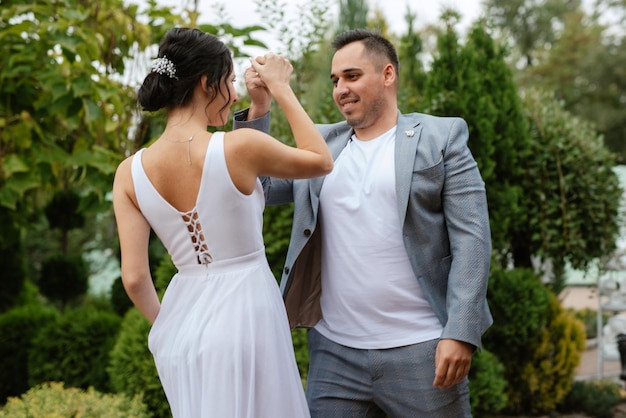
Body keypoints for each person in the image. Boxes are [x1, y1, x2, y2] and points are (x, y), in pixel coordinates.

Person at [234, 28, 493, 417]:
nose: (340, 89)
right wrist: (258, 107)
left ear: (387, 75)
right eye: (336, 80)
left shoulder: (441, 136)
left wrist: (460, 331)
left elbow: (472, 238)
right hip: (334, 354)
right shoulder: (321, 147)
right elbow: (259, 189)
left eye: (352, 76)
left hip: (422, 348)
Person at [112, 27, 332, 418]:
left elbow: (134, 278)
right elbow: (320, 159)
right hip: (248, 315)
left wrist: (168, 328)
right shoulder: (239, 147)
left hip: (181, 330)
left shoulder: (128, 173)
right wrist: (281, 87)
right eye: (230, 80)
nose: (234, 93)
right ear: (205, 83)